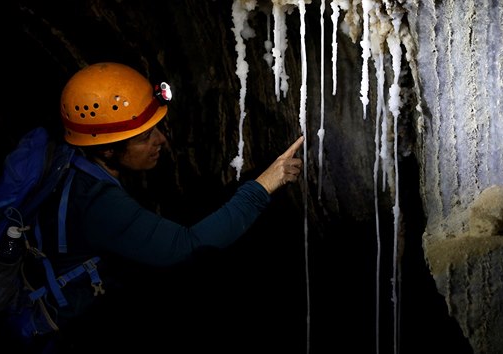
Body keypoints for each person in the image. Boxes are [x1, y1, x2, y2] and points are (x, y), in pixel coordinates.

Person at [16, 62, 304, 353]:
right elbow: (186, 246)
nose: (161, 141)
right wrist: (263, 186)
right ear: (107, 149)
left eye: (156, 129)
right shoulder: (96, 202)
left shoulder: (72, 159)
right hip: (67, 335)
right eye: (145, 137)